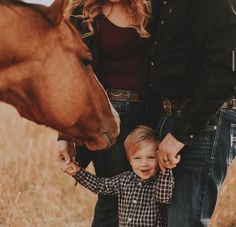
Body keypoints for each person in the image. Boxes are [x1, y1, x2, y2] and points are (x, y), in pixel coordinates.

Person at [57, 0, 158, 226]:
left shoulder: (150, 9)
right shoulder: (82, 14)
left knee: (148, 195)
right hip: (106, 115)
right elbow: (68, 74)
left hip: (148, 113)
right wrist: (64, 135)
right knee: (113, 195)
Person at [149, 0, 236, 226]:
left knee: (184, 221)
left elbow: (226, 70)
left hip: (205, 120)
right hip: (167, 114)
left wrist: (181, 133)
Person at [58, 125, 175, 227]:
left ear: (158, 158)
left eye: (151, 157)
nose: (144, 164)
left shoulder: (159, 182)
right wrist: (78, 172)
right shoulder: (124, 180)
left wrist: (166, 168)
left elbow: (164, 197)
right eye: (137, 158)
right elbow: (99, 186)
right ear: (130, 161)